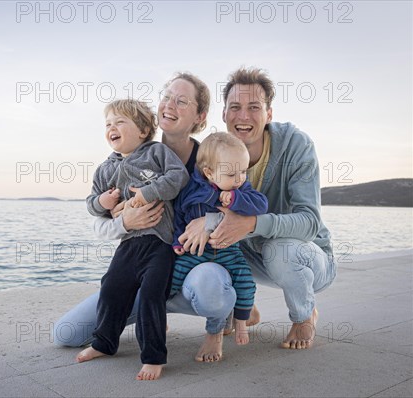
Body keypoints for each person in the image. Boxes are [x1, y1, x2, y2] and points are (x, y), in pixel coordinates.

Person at [55, 72, 240, 363]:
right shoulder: (121, 162)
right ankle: (121, 331)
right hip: (138, 258)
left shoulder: (209, 157)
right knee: (65, 334)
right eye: (166, 96)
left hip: (187, 267)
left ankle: (218, 322)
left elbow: (240, 211)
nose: (169, 104)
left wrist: (209, 221)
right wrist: (125, 221)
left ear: (200, 116)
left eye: (181, 101)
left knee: (209, 287)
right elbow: (98, 219)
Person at [181, 67, 337, 349]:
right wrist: (208, 221)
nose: (243, 116)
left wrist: (252, 224)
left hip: (305, 258)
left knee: (280, 249)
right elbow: (193, 203)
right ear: (224, 115)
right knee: (209, 237)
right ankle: (243, 305)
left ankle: (303, 316)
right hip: (252, 256)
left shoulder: (295, 145)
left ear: (269, 114)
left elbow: (309, 222)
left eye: (254, 107)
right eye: (235, 107)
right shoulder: (216, 153)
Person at [77, 99, 189, 380]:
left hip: (160, 243)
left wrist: (149, 193)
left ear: (141, 130)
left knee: (152, 294)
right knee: (111, 287)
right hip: (128, 245)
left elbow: (179, 176)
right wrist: (102, 202)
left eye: (119, 122)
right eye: (108, 124)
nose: (111, 128)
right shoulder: (105, 169)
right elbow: (91, 203)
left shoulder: (156, 152)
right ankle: (104, 342)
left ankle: (153, 356)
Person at [171, 132, 268, 358]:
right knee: (173, 276)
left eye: (243, 171)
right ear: (209, 173)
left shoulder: (241, 190)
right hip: (195, 252)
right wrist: (178, 241)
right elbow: (179, 216)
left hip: (227, 249)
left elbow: (261, 205)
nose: (239, 178)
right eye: (232, 173)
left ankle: (242, 322)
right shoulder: (192, 190)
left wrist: (237, 200)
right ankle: (160, 314)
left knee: (245, 279)